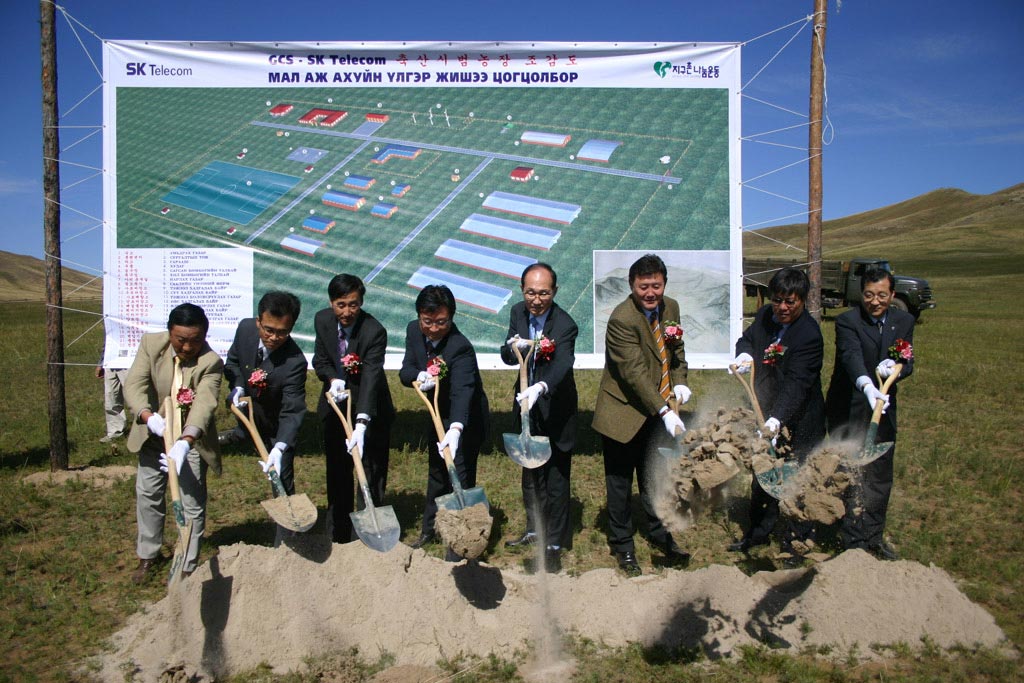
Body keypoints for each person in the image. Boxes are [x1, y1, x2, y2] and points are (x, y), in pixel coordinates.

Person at [592, 254, 692, 575]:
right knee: (620, 484)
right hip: (624, 412)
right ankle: (624, 547)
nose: (650, 293)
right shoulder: (622, 319)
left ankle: (662, 535)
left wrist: (680, 384)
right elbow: (633, 372)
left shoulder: (671, 308)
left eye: (656, 286)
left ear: (664, 284)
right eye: (643, 286)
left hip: (659, 410)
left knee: (655, 478)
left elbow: (676, 352)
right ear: (632, 285)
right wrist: (663, 409)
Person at [124, 303, 223, 583]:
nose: (188, 347)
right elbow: (134, 384)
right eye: (181, 340)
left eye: (195, 340)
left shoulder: (211, 362)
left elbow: (204, 403)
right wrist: (147, 416)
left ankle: (188, 562)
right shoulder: (150, 345)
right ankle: (148, 555)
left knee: (191, 502)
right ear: (170, 333)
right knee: (149, 495)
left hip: (189, 442)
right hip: (154, 434)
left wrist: (185, 441)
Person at [729, 267, 825, 555]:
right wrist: (744, 354)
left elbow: (797, 384)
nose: (782, 307)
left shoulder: (808, 335)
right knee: (763, 477)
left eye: (790, 302)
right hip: (766, 412)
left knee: (797, 478)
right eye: (778, 299)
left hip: (799, 418)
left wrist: (775, 421)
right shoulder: (764, 317)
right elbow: (747, 339)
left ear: (803, 301)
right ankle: (757, 535)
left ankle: (796, 543)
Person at [825, 267, 915, 560]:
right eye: (868, 295)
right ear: (860, 294)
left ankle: (873, 535)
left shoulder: (904, 320)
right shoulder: (847, 321)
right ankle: (851, 538)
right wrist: (866, 384)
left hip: (884, 409)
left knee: (878, 472)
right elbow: (850, 356)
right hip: (850, 406)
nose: (875, 302)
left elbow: (908, 359)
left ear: (892, 294)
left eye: (882, 295)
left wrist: (896, 370)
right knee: (850, 468)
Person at [399, 284, 489, 554]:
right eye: (428, 321)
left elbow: (463, 391)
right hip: (437, 414)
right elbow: (406, 370)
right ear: (419, 316)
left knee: (459, 476)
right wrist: (419, 375)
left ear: (451, 318)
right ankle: (430, 528)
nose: (434, 328)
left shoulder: (460, 347)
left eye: (441, 322)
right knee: (437, 474)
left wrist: (456, 430)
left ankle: (462, 541)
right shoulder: (414, 331)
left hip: (465, 420)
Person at [500, 263, 578, 573]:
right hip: (526, 408)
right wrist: (511, 349)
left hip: (555, 408)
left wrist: (541, 387)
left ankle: (555, 542)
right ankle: (534, 529)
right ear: (523, 291)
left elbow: (562, 365)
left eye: (543, 293)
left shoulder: (565, 324)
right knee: (530, 474)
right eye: (531, 292)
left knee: (556, 478)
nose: (536, 300)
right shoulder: (518, 312)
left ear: (554, 292)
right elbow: (508, 354)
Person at [313, 274, 395, 544]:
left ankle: (369, 534)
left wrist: (362, 422)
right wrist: (332, 378)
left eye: (353, 305)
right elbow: (321, 358)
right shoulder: (322, 321)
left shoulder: (374, 331)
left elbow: (371, 377)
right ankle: (338, 534)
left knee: (370, 472)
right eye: (341, 305)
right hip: (336, 408)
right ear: (331, 302)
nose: (347, 312)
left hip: (369, 409)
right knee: (337, 471)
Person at [222, 291, 308, 538]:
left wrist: (280, 448)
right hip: (250, 414)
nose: (274, 337)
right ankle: (238, 434)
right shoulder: (245, 329)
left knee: (280, 478)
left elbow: (292, 409)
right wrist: (238, 385)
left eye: (282, 332)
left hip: (276, 426)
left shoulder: (294, 362)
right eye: (268, 329)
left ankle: (287, 537)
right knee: (240, 435)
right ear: (258, 321)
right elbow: (233, 362)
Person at [96, 337, 129, 443]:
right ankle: (115, 431)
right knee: (111, 397)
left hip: (129, 361)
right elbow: (108, 340)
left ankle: (146, 432)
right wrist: (101, 363)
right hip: (111, 361)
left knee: (135, 398)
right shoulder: (109, 320)